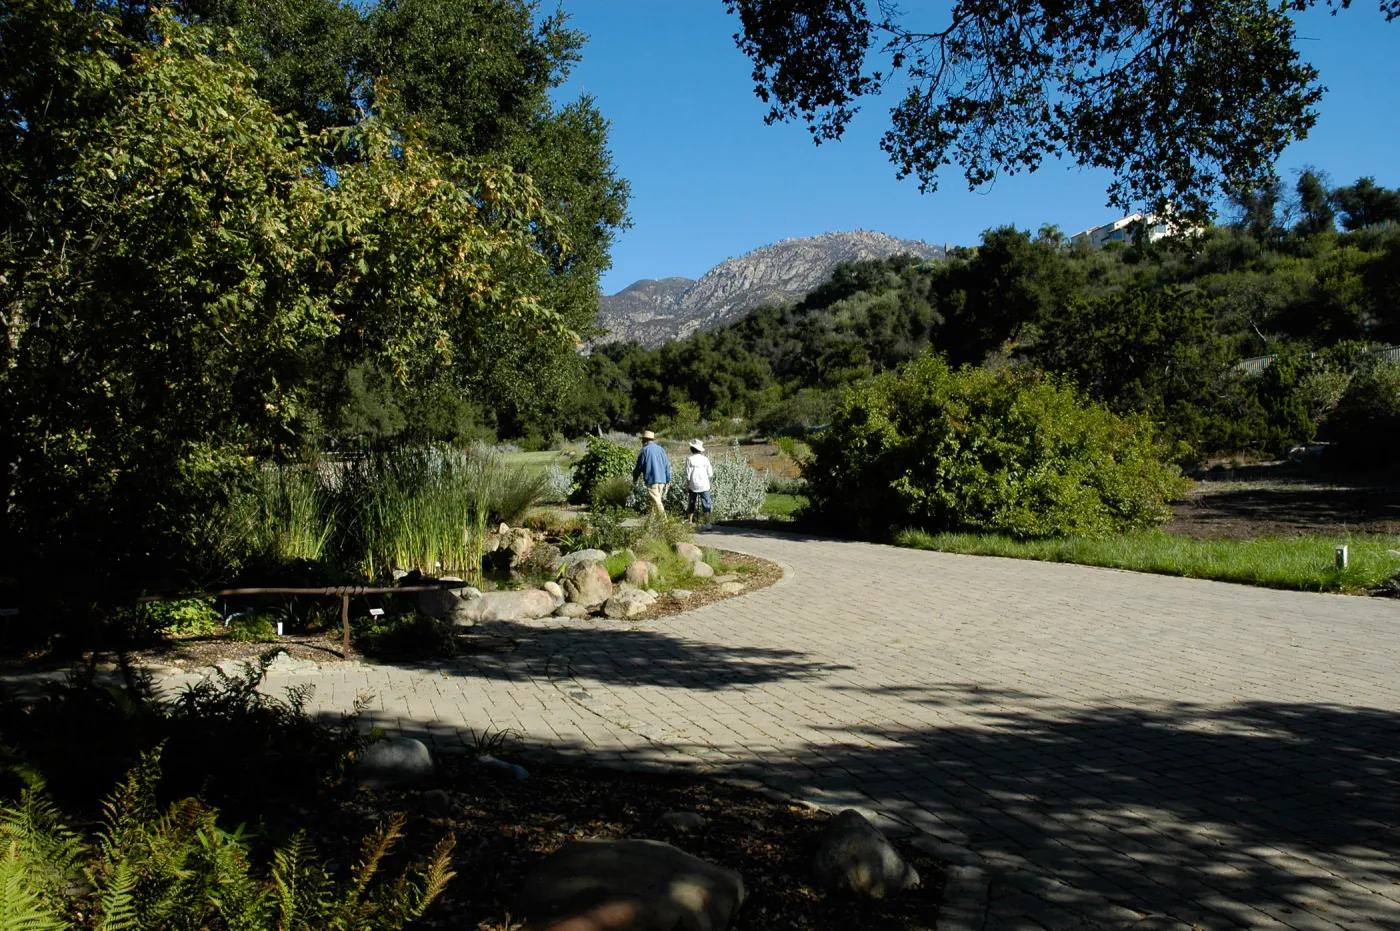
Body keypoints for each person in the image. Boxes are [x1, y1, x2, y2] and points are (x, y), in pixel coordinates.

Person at [632, 430, 671, 517]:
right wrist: (668, 479)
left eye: (642, 439)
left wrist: (635, 478)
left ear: (645, 439)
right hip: (662, 479)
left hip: (652, 479)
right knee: (654, 502)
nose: (641, 441)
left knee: (657, 502)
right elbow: (666, 465)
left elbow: (639, 467)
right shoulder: (661, 449)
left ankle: (665, 523)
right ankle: (649, 525)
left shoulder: (644, 450)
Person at [684, 439, 714, 529]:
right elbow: (710, 474)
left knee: (691, 502)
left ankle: (690, 521)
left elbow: (687, 475)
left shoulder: (689, 459)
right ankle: (708, 523)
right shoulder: (705, 459)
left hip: (693, 484)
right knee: (706, 503)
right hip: (705, 485)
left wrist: (687, 486)